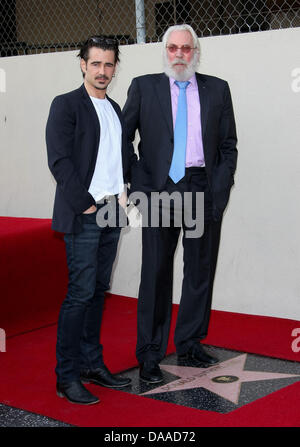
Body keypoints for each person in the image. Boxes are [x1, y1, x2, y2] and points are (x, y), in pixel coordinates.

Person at [123, 24, 237, 383]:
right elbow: (124, 139)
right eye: (173, 48)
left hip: (201, 188)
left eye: (186, 49)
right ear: (165, 51)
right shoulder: (144, 87)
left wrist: (219, 190)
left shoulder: (218, 89)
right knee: (155, 274)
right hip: (160, 191)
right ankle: (150, 355)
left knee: (200, 272)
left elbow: (228, 146)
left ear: (196, 52)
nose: (179, 55)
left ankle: (189, 344)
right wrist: (140, 186)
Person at [46, 36, 135, 405]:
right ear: (83, 64)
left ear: (115, 68)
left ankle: (90, 363)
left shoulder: (115, 108)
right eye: (96, 63)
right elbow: (59, 159)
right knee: (80, 294)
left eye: (109, 64)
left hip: (114, 211)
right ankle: (65, 377)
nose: (102, 71)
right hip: (86, 213)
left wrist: (130, 187)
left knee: (98, 291)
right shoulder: (65, 105)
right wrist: (84, 204)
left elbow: (124, 155)